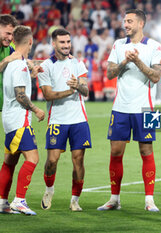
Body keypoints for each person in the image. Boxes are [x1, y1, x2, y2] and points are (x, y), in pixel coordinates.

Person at [97, 9, 161, 212]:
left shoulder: (154, 46)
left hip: (147, 108)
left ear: (141, 23)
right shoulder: (118, 45)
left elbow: (155, 76)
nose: (126, 24)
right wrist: (125, 61)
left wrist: (137, 61)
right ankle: (114, 199)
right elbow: (109, 74)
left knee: (147, 151)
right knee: (116, 152)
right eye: (125, 21)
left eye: (130, 21)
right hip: (121, 107)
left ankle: (149, 200)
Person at [38, 28, 91, 212]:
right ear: (54, 44)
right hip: (57, 120)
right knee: (52, 161)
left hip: (78, 120)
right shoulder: (46, 66)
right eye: (62, 42)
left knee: (79, 160)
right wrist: (71, 90)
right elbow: (47, 95)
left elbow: (86, 91)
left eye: (68, 42)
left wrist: (79, 86)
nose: (66, 45)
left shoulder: (79, 64)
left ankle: (75, 200)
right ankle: (49, 190)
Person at [0, 25, 45, 215]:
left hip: (9, 119)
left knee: (10, 161)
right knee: (33, 158)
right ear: (30, 42)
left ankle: (2, 202)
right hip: (20, 120)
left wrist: (32, 74)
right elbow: (20, 95)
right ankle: (19, 200)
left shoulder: (13, 63)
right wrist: (36, 110)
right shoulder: (18, 65)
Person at [0, 14, 21, 111]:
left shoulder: (9, 49)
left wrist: (61, 58)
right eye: (8, 33)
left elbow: (25, 62)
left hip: (4, 107)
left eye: (12, 34)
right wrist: (6, 60)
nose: (10, 38)